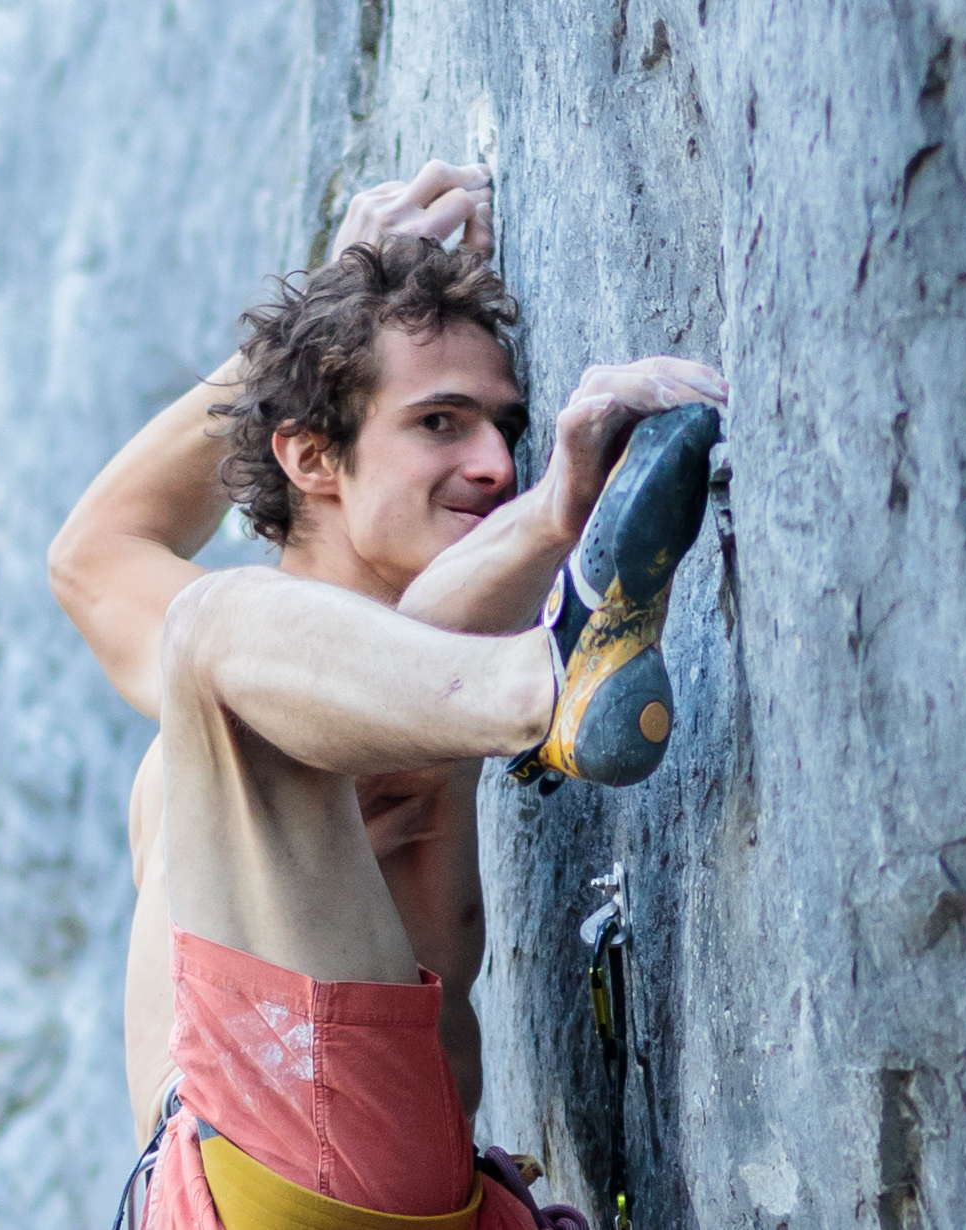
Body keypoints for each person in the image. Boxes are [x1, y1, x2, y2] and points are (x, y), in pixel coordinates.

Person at [48, 160, 724, 1227]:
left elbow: (420, 648)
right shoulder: (249, 706)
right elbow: (93, 557)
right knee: (211, 634)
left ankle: (559, 663)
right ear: (313, 456)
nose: (494, 460)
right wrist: (300, 339)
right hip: (273, 1156)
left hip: (397, 1186)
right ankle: (556, 671)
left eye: (507, 426)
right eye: (441, 422)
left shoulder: (431, 660)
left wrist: (563, 509)